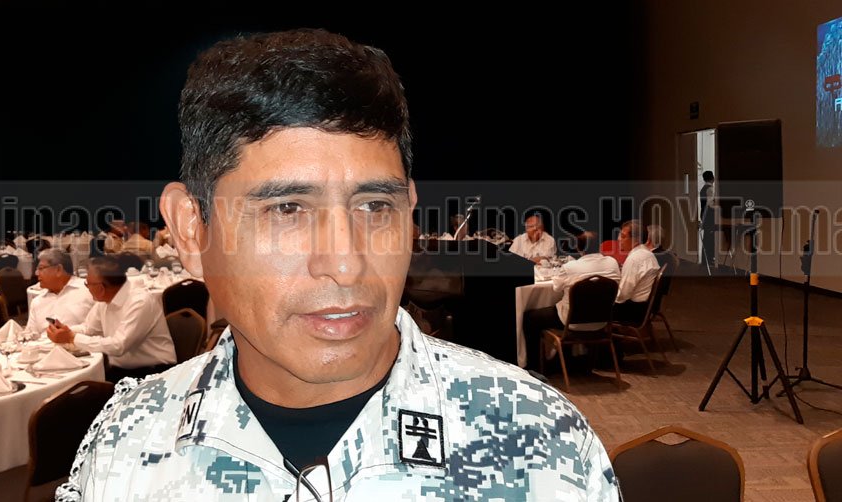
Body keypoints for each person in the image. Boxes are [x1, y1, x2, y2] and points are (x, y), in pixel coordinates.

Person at [57, 29, 618, 501]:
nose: (347, 265)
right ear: (191, 230)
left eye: (375, 207)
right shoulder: (126, 446)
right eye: (287, 209)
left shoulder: (538, 444)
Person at [46, 256, 175, 382]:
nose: (87, 288)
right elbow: (89, 329)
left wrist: (72, 337)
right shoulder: (105, 300)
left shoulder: (140, 302)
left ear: (101, 288)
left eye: (87, 284)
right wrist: (65, 331)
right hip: (121, 371)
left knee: (82, 389)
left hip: (154, 374)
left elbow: (118, 346)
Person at [521, 232, 621, 368]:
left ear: (578, 248)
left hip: (571, 321)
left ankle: (535, 366)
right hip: (602, 321)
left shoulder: (571, 267)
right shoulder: (612, 263)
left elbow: (556, 288)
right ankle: (579, 359)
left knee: (529, 318)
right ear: (599, 246)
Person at [22, 249, 93, 340]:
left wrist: (69, 334)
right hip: (43, 347)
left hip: (81, 346)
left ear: (58, 269)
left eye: (41, 268)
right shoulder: (37, 302)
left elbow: (98, 328)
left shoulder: (89, 290)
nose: (36, 273)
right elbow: (30, 334)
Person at [614, 220, 659, 323]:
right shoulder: (647, 253)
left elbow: (622, 295)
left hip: (632, 311)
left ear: (636, 240)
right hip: (642, 308)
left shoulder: (635, 258)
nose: (619, 239)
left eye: (623, 236)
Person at [700, 170, 716, 266]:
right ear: (712, 178)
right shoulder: (710, 189)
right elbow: (711, 204)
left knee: (707, 237)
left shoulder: (703, 189)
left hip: (704, 214)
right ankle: (709, 259)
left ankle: (705, 259)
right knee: (710, 238)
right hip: (710, 215)